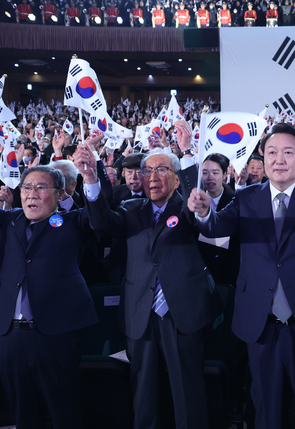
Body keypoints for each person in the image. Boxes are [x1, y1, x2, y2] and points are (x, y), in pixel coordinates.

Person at [188, 123, 295, 429]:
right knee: (266, 408)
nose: (279, 159)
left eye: (287, 152)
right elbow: (216, 228)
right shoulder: (245, 197)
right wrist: (203, 213)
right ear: (263, 157)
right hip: (262, 319)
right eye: (272, 152)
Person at [0, 115, 101, 429]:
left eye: (41, 188)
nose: (31, 193)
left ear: (60, 195)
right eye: (27, 187)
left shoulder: (74, 223)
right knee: (22, 414)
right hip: (10, 335)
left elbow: (101, 217)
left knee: (65, 413)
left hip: (55, 333)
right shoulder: (6, 221)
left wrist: (91, 176)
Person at [79, 122, 217, 429]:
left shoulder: (188, 208)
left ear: (176, 177)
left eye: (161, 170)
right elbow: (101, 222)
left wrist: (187, 149)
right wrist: (90, 177)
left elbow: (200, 201)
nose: (152, 177)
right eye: (147, 170)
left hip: (182, 311)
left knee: (187, 391)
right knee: (143, 391)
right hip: (139, 312)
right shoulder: (130, 210)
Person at [197, 153, 239, 286]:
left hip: (228, 274)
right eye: (205, 173)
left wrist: (202, 236)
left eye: (215, 173)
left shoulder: (235, 201)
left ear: (225, 175)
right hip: (200, 273)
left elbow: (235, 240)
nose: (209, 178)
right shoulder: (195, 201)